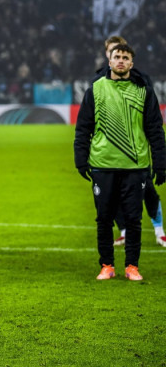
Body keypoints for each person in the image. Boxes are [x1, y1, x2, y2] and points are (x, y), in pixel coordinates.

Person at [74, 43, 166, 281]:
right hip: (103, 165)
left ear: (131, 63)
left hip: (135, 167)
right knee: (104, 218)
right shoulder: (95, 90)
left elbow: (156, 129)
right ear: (110, 61)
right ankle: (106, 265)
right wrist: (81, 161)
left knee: (134, 219)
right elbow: (83, 128)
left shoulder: (144, 91)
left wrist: (160, 163)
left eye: (126, 57)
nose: (121, 60)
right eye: (117, 56)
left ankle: (132, 266)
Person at [100, 37, 166, 248]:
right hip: (109, 154)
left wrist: (156, 155)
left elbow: (151, 120)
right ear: (107, 55)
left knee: (148, 192)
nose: (117, 58)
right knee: (114, 196)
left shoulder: (141, 81)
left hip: (137, 153)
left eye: (122, 54)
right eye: (113, 53)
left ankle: (159, 230)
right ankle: (125, 231)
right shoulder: (99, 80)